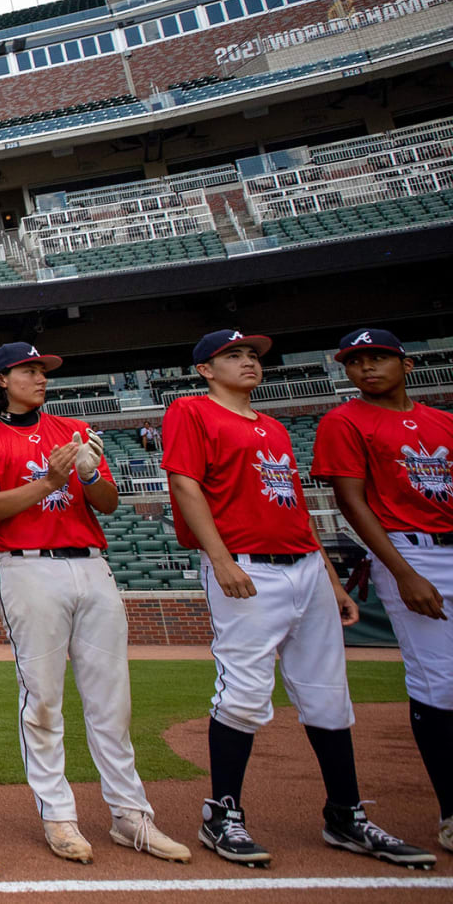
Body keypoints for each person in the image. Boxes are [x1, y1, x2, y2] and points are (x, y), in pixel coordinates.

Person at [161, 329, 433, 869]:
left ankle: (345, 814)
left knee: (329, 696)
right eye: (232, 356)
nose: (248, 362)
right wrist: (219, 559)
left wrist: (330, 579)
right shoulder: (192, 412)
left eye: (253, 355)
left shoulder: (275, 427)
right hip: (246, 565)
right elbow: (185, 485)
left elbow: (294, 508)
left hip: (305, 566)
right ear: (205, 370)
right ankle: (223, 815)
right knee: (242, 694)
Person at [0, 342, 188, 865]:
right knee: (41, 699)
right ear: (0, 381)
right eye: (28, 370)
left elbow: (107, 502)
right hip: (26, 566)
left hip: (90, 561)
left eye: (42, 370)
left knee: (113, 698)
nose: (40, 377)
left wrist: (86, 474)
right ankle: (58, 815)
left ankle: (131, 814)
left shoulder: (71, 429)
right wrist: (49, 482)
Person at [315, 328, 453, 856]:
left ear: (407, 365)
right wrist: (402, 571)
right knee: (437, 682)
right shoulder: (344, 419)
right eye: (356, 361)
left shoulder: (443, 422)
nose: (367, 367)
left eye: (378, 358)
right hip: (410, 549)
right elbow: (351, 502)